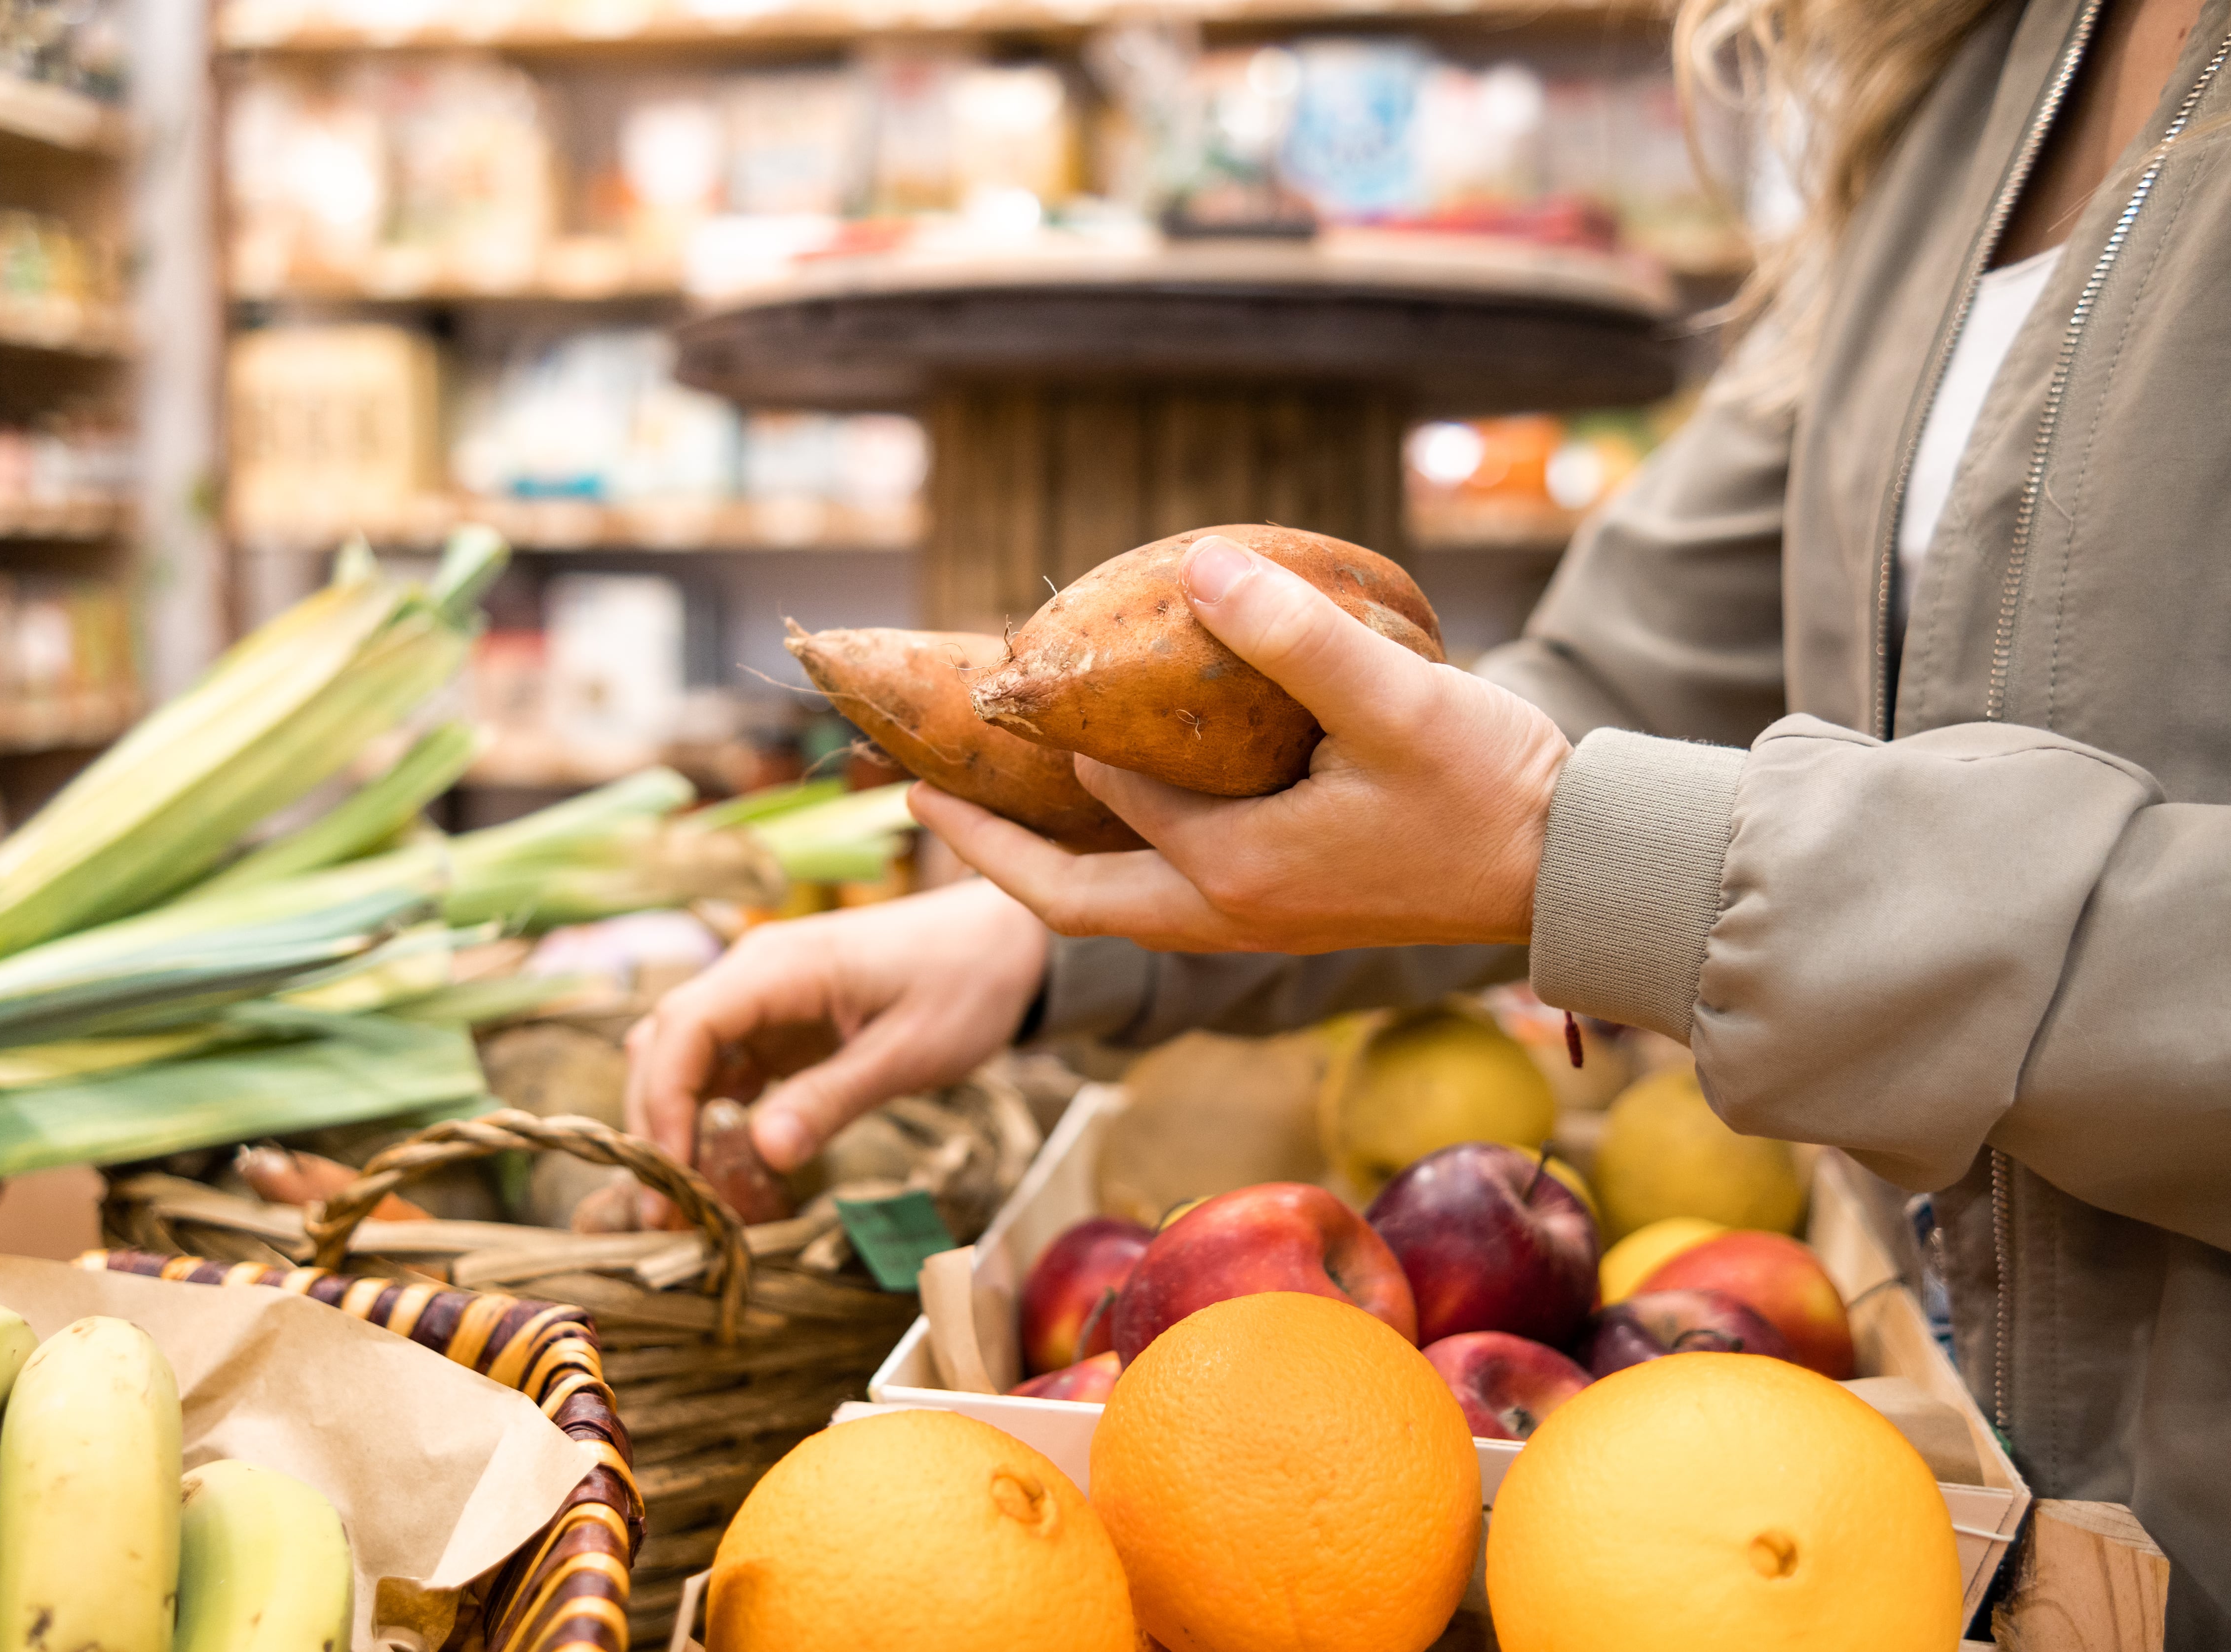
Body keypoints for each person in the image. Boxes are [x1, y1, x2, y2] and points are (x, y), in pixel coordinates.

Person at [628, 0, 2231, 1637]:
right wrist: (1034, 946)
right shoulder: (1960, 87)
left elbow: (1569, 797)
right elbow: (1615, 677)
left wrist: (1598, 860)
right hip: (1883, 1482)